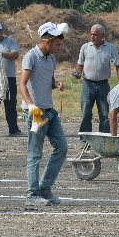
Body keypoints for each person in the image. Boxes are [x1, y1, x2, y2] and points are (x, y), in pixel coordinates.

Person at [19, 22, 69, 206]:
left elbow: (48, 80)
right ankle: (32, 194)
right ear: (47, 41)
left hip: (50, 110)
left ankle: (45, 188)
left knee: (62, 147)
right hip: (36, 113)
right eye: (57, 43)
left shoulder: (51, 59)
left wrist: (55, 84)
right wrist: (31, 105)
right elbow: (22, 84)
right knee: (35, 153)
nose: (59, 47)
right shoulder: (30, 57)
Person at [73, 23, 119, 134]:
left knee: (104, 113)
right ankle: (85, 139)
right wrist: (78, 72)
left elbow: (118, 65)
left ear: (102, 35)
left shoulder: (110, 48)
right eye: (91, 34)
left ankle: (104, 138)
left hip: (103, 85)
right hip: (88, 84)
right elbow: (80, 64)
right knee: (86, 112)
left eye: (95, 34)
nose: (92, 37)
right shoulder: (85, 47)